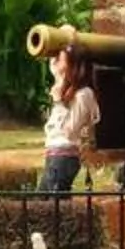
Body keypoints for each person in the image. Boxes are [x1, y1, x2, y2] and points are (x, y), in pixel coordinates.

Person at [40, 46, 101, 193]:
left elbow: (71, 130)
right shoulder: (67, 89)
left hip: (64, 156)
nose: (56, 64)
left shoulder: (84, 94)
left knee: (53, 204)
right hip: (55, 154)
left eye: (61, 60)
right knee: (45, 202)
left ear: (72, 65)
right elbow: (54, 67)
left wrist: (59, 103)